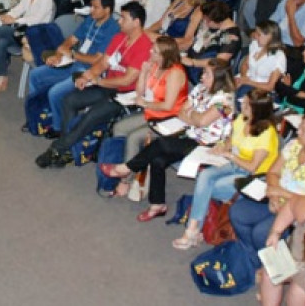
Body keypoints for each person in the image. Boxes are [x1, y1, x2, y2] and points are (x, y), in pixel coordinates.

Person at [99, 58, 236, 221]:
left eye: (207, 73)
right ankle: (158, 205)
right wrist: (193, 117)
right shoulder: (200, 89)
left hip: (208, 145)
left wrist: (192, 116)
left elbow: (202, 121)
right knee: (158, 160)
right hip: (190, 134)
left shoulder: (225, 100)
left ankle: (127, 168)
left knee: (161, 144)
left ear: (218, 78)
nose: (201, 76)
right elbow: (182, 112)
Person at [36, 2, 152, 168]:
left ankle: (57, 149)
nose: (119, 22)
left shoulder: (144, 47)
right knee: (69, 100)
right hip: (106, 86)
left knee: (90, 117)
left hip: (124, 96)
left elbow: (127, 80)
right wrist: (88, 75)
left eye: (123, 19)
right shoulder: (120, 38)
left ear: (136, 22)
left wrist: (98, 81)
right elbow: (103, 63)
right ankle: (69, 149)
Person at [230, 113, 305, 272]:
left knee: (261, 233)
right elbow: (272, 173)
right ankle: (254, 256)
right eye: (300, 127)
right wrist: (274, 197)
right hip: (275, 200)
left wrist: (282, 194)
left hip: (298, 213)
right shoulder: (294, 145)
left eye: (304, 131)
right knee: (237, 212)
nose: (298, 132)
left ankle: (275, 269)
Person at [173, 90, 280, 249]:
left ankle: (193, 229)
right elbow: (232, 139)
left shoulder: (266, 134)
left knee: (209, 188)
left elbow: (253, 166)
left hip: (252, 175)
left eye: (246, 105)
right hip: (235, 164)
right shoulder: (242, 120)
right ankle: (192, 230)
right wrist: (223, 146)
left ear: (257, 110)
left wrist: (229, 155)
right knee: (204, 176)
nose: (241, 105)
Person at [24, 0, 120, 138]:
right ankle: (37, 113)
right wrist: (59, 54)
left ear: (107, 10)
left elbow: (98, 60)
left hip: (89, 71)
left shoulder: (112, 29)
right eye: (91, 6)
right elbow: (72, 39)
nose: (91, 10)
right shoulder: (90, 20)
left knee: (55, 92)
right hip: (73, 62)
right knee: (36, 75)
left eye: (96, 7)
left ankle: (56, 127)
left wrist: (74, 54)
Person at [235, 20, 286, 97]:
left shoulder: (278, 56)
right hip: (247, 79)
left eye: (259, 34)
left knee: (241, 94)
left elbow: (270, 86)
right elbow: (245, 65)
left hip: (262, 89)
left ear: (270, 37)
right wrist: (243, 78)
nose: (255, 36)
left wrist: (247, 82)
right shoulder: (255, 44)